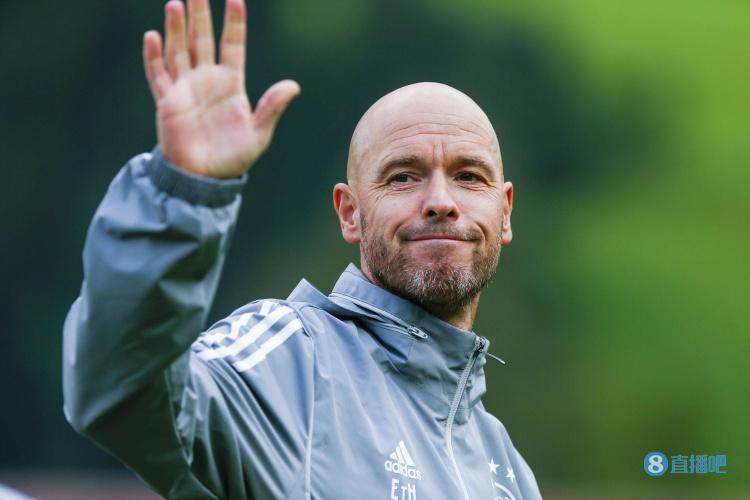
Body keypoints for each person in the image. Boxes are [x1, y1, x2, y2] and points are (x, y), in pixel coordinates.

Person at [62, 0, 543, 498]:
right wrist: (185, 194)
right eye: (403, 177)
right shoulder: (292, 363)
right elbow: (124, 392)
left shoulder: (507, 472)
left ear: (505, 211)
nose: (441, 201)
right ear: (350, 213)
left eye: (469, 177)